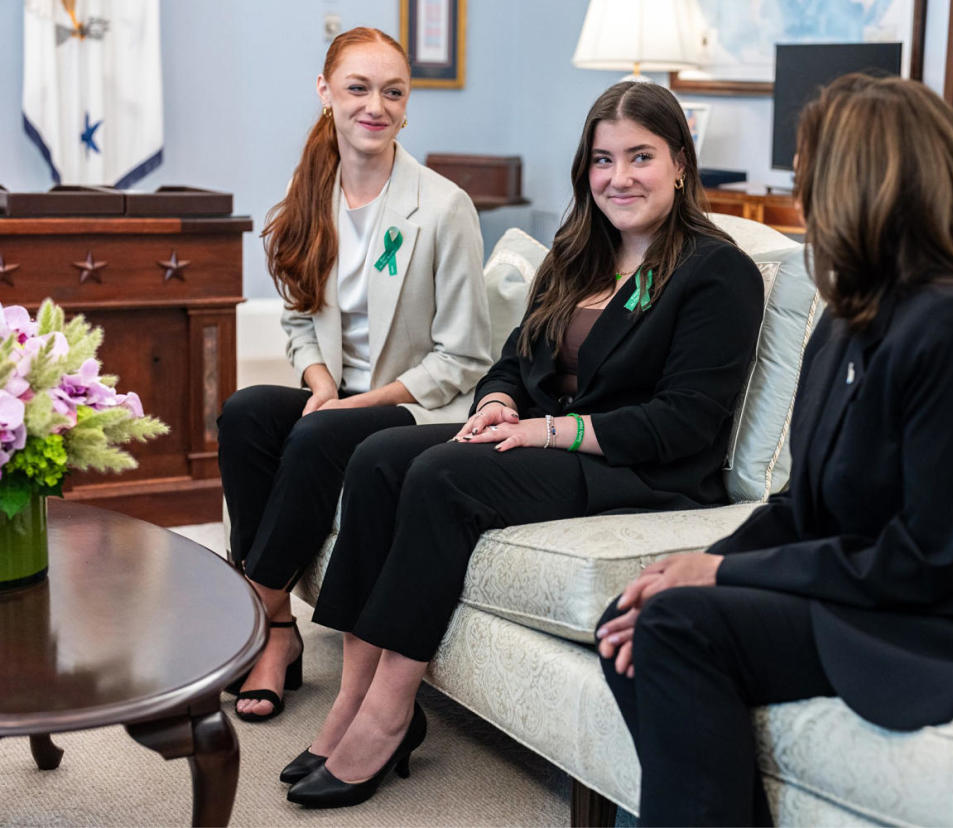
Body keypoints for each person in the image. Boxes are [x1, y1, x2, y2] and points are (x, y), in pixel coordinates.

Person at [595, 73, 953, 826]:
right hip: (893, 588)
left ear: (864, 182)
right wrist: (692, 568)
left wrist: (725, 573)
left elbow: (929, 556)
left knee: (678, 627)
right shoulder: (847, 320)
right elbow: (803, 507)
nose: (799, 187)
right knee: (632, 617)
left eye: (809, 169)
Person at [277, 80, 765, 808]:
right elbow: (513, 355)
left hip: (644, 468)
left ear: (680, 164)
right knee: (378, 456)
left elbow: (686, 421)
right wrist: (501, 400)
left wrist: (542, 429)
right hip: (544, 438)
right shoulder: (579, 251)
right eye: (604, 160)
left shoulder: (714, 271)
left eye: (641, 157)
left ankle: (389, 714)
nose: (619, 177)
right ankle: (350, 699)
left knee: (444, 478)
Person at [216, 27, 491, 723]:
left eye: (392, 91)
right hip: (346, 394)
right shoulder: (313, 191)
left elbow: (464, 355)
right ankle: (279, 627)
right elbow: (298, 318)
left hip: (418, 403)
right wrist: (325, 388)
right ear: (326, 93)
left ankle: (257, 618)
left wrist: (359, 402)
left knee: (319, 439)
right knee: (246, 411)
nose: (376, 105)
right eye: (358, 88)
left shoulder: (443, 207)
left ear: (407, 103)